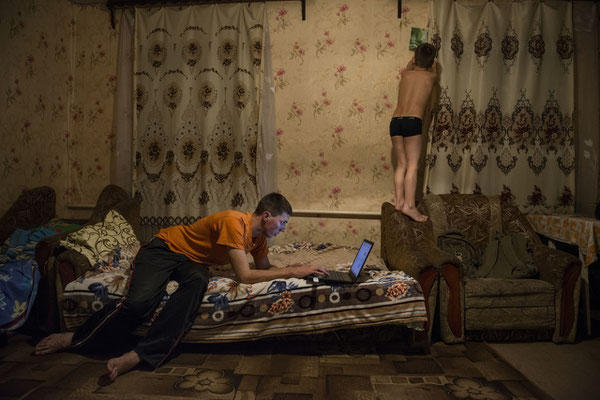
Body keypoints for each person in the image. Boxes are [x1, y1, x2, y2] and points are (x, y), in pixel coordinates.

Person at [34, 192, 328, 382]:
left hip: (191, 262)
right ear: (267, 215)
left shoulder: (258, 238)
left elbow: (264, 270)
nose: (284, 228)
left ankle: (141, 355)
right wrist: (296, 268)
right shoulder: (233, 221)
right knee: (139, 303)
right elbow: (245, 276)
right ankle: (74, 338)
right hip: (165, 248)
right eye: (283, 222)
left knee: (199, 281)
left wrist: (300, 272)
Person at [390, 42, 437, 222]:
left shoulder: (405, 75)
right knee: (412, 165)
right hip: (412, 121)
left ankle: (399, 201)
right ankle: (410, 205)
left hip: (395, 121)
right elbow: (433, 71)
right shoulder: (431, 78)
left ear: (414, 59)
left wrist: (413, 61)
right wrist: (432, 63)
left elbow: (411, 66)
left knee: (401, 165)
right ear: (431, 62)